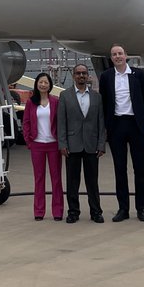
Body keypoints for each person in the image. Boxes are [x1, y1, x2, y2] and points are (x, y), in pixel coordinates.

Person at [98, 44, 144, 222]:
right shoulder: (106, 76)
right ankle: (123, 208)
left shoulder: (138, 74)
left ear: (126, 55)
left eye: (120, 53)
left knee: (139, 169)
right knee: (119, 169)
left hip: (136, 125)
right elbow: (104, 100)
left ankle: (141, 208)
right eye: (114, 54)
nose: (117, 57)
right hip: (117, 126)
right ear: (111, 58)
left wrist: (140, 116)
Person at [57, 63, 106, 224]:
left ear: (88, 76)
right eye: (78, 73)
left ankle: (96, 211)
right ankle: (73, 212)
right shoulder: (65, 96)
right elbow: (61, 122)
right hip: (72, 145)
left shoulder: (97, 97)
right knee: (72, 181)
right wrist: (62, 144)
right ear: (73, 76)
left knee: (92, 182)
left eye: (84, 73)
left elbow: (101, 123)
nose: (81, 76)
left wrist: (101, 144)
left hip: (92, 145)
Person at [21, 72, 63, 221]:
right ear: (36, 84)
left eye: (46, 82)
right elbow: (26, 122)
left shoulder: (55, 102)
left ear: (50, 85)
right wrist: (29, 141)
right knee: (39, 179)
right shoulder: (31, 102)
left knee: (56, 179)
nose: (43, 85)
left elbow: (60, 122)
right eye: (40, 82)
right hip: (37, 145)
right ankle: (39, 211)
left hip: (53, 144)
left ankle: (57, 211)